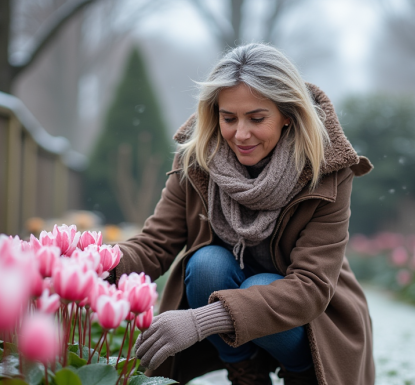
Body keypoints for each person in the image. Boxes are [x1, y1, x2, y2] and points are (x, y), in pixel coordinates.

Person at [112, 43, 375, 385]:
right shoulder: (196, 161)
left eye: (257, 118)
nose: (241, 134)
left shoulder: (328, 170)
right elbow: (155, 245)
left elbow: (310, 287)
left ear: (287, 115)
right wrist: (92, 262)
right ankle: (246, 373)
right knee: (206, 263)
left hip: (310, 321)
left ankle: (302, 375)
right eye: (228, 118)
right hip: (230, 307)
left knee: (260, 283)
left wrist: (199, 321)